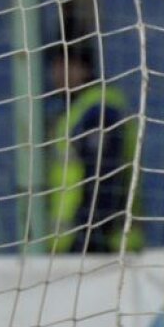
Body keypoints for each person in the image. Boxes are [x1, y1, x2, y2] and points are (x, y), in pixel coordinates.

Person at [43, 42, 142, 253]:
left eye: (67, 65)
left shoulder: (100, 112)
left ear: (85, 68)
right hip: (73, 243)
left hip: (100, 246)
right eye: (56, 65)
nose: (59, 73)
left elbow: (104, 177)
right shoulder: (75, 110)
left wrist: (90, 236)